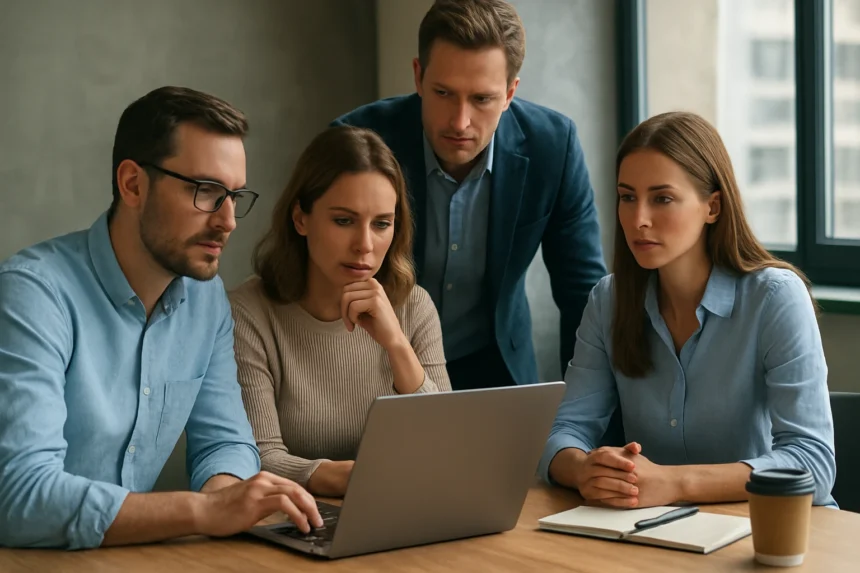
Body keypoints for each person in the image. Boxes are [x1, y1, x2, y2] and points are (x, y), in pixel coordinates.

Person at [0, 86, 322, 549]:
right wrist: (207, 510)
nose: (228, 220)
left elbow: (223, 444)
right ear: (133, 184)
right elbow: (20, 496)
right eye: (207, 191)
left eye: (234, 195)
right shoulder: (33, 295)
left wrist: (232, 498)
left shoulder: (206, 299)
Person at [539, 111, 836, 508]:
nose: (638, 219)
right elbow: (563, 433)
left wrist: (674, 483)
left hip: (771, 533)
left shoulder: (776, 298)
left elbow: (811, 465)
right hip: (656, 533)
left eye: (662, 198)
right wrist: (585, 470)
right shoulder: (607, 300)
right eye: (628, 197)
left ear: (712, 207)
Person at [332, 0, 607, 391]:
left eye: (482, 99)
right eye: (443, 93)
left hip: (495, 366)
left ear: (510, 93)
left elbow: (582, 294)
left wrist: (583, 418)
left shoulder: (553, 147)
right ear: (418, 76)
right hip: (374, 361)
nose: (459, 122)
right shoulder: (358, 141)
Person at [230, 126, 451, 498]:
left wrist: (397, 344)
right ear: (300, 219)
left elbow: (447, 446)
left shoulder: (415, 306)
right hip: (293, 523)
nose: (364, 245)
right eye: (344, 221)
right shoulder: (249, 313)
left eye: (381, 224)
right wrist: (340, 476)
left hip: (401, 511)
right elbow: (257, 455)